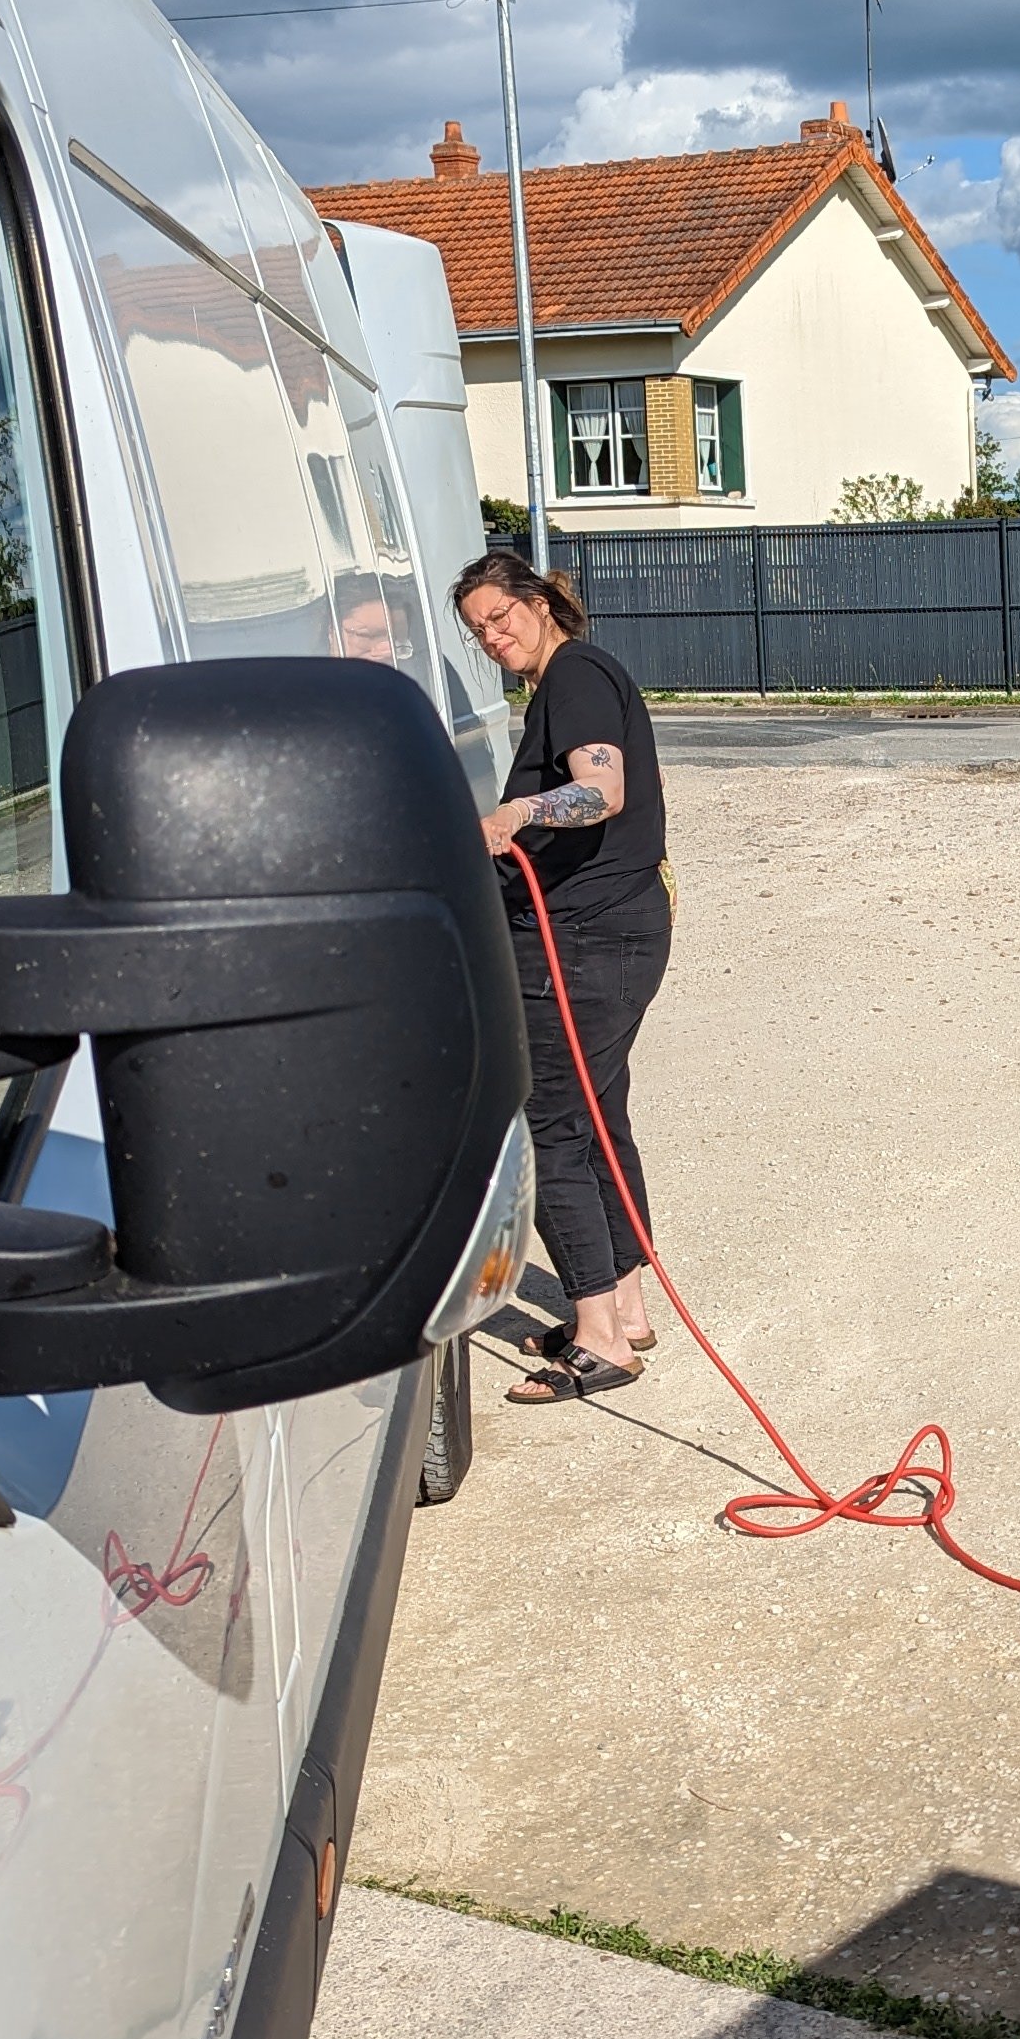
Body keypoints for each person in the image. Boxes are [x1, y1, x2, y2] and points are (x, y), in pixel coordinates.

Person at [454, 547, 671, 1402]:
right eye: (477, 631)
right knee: (597, 1110)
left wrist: (518, 812)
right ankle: (625, 1306)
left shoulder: (576, 673)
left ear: (540, 602)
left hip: (587, 941)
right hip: (608, 932)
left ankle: (598, 1340)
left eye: (500, 616)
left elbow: (601, 792)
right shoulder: (574, 678)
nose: (493, 636)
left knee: (547, 1121)